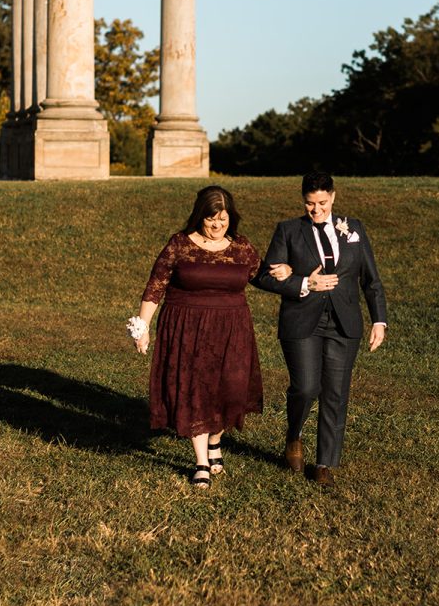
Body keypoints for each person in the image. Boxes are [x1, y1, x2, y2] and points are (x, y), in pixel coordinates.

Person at [255, 171, 387, 488]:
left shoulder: (354, 229)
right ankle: (294, 434)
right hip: (302, 321)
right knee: (306, 387)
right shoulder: (288, 231)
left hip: (345, 323)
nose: (316, 210)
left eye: (322, 203)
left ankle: (325, 462)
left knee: (336, 394)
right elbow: (263, 276)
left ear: (333, 197)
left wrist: (379, 320)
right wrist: (303, 282)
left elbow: (371, 279)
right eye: (310, 203)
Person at [129, 185, 263, 488]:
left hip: (232, 329)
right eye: (211, 219)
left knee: (230, 388)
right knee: (196, 390)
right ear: (199, 216)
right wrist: (143, 327)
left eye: (223, 219)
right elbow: (155, 287)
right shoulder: (180, 244)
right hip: (187, 327)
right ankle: (201, 461)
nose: (217, 225)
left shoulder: (241, 246)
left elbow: (262, 275)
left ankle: (215, 440)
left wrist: (297, 280)